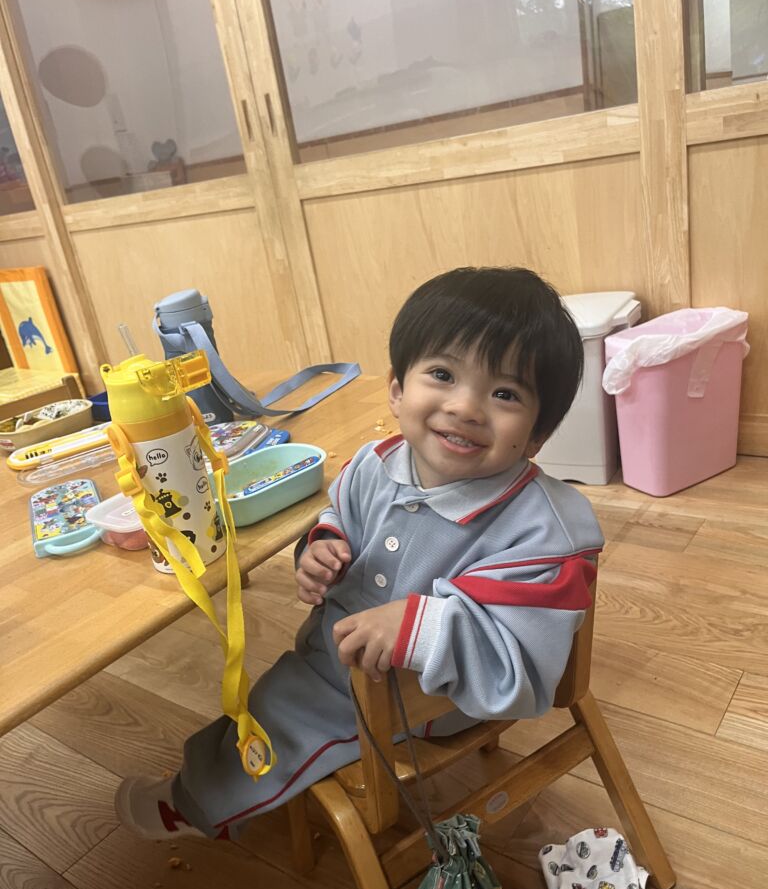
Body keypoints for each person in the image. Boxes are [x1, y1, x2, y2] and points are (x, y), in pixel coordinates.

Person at [117, 266, 604, 841]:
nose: (466, 407)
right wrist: (323, 547)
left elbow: (516, 667)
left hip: (431, 696)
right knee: (269, 690)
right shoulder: (375, 463)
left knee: (272, 713)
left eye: (505, 394)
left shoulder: (546, 530)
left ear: (539, 433)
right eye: (443, 374)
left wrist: (418, 628)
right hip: (339, 651)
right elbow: (339, 515)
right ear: (397, 390)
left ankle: (190, 805)